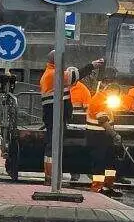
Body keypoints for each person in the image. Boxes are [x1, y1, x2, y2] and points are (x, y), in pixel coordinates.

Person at [41, 51, 103, 185]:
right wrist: (92, 65)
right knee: (54, 146)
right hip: (55, 116)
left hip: (54, 115)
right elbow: (76, 75)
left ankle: (50, 177)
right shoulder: (54, 74)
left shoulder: (50, 73)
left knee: (52, 146)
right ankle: (52, 178)